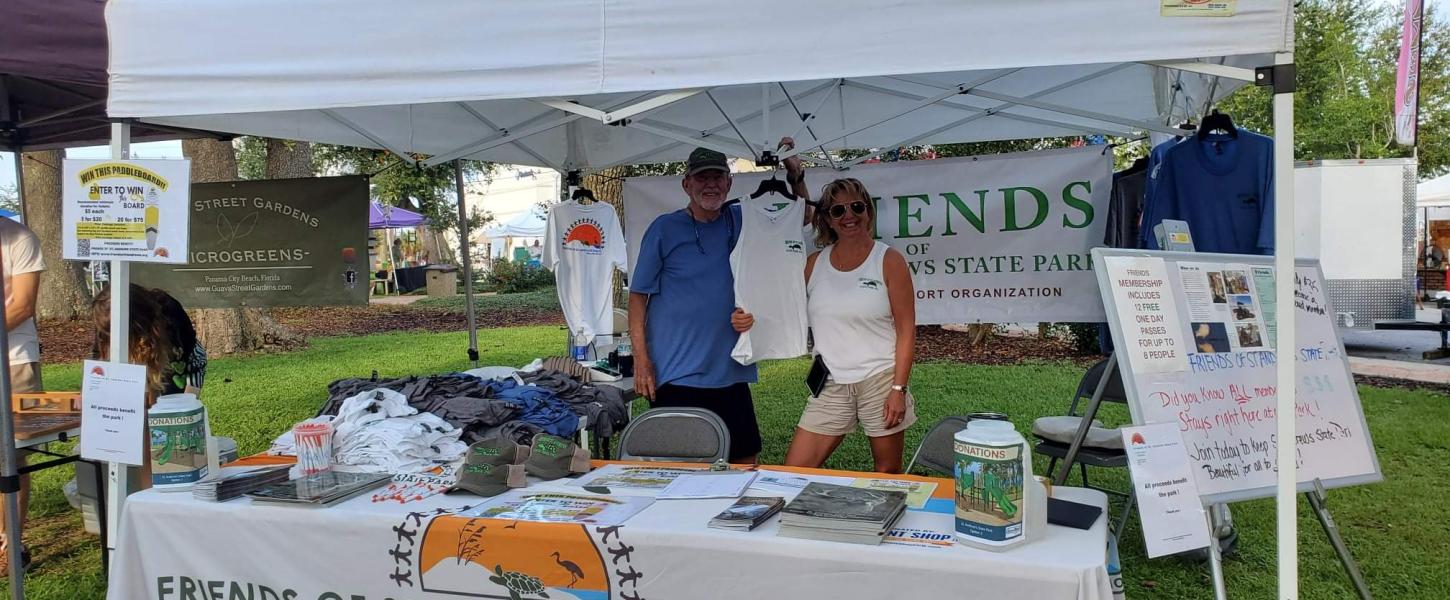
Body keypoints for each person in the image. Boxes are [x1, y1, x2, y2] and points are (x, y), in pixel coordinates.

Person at [629, 139, 807, 464]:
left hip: (730, 369)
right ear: (686, 184)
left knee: (744, 460)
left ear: (729, 182)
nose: (710, 184)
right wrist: (641, 361)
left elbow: (801, 218)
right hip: (677, 372)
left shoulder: (742, 219)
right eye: (701, 177)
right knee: (682, 466)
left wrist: (795, 174)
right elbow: (638, 297)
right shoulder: (664, 228)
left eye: (717, 177)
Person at [752, 178, 917, 473]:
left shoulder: (889, 260)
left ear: (868, 211)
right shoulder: (814, 263)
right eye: (837, 211)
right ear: (827, 219)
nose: (848, 216)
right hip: (829, 382)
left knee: (887, 476)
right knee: (793, 472)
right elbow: (782, 308)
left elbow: (906, 331)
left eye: (856, 207)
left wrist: (898, 389)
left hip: (880, 380)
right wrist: (748, 316)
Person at [0, 217, 44, 573]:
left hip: (13, 360)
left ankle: (10, 544)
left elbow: (22, 304)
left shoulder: (19, 238)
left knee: (11, 454)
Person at [91, 285, 207, 405]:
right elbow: (98, 360)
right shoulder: (106, 318)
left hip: (180, 363)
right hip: (138, 363)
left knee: (174, 409)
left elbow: (193, 356)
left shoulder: (169, 313)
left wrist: (187, 404)